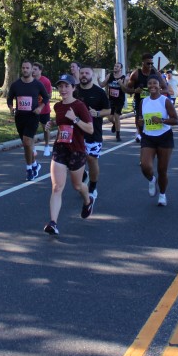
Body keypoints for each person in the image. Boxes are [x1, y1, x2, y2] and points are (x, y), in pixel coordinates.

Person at [44, 74, 95, 235]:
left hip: (76, 150)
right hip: (60, 148)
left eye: (67, 86)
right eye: (60, 86)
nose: (63, 89)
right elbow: (61, 123)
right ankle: (53, 223)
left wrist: (75, 119)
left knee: (77, 186)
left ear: (73, 88)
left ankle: (88, 200)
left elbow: (90, 129)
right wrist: (52, 123)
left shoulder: (79, 106)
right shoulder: (58, 106)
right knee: (56, 187)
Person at [6, 60, 50, 181]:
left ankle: (29, 169)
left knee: (26, 142)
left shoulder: (37, 84)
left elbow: (46, 97)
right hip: (20, 117)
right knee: (27, 145)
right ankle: (35, 164)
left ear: (31, 70)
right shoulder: (16, 85)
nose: (25, 70)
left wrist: (40, 108)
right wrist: (11, 108)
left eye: (27, 68)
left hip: (32, 117)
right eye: (23, 68)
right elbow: (9, 99)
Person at [139, 76, 178, 206]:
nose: (152, 86)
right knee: (145, 166)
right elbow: (139, 119)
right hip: (148, 136)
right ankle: (151, 179)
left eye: (155, 83)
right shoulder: (143, 102)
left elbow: (176, 120)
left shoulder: (165, 101)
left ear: (159, 86)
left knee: (162, 169)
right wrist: (140, 124)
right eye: (150, 83)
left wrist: (162, 120)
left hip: (164, 137)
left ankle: (162, 194)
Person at [74, 64, 111, 201]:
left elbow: (108, 110)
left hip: (93, 132)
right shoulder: (74, 90)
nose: (84, 75)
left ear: (92, 75)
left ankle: (92, 187)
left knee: (91, 159)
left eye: (87, 73)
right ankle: (84, 175)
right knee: (74, 160)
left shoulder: (99, 92)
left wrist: (97, 113)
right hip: (76, 132)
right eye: (82, 73)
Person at [127, 54, 169, 143]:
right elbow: (128, 89)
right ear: (143, 63)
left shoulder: (156, 74)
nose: (150, 66)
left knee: (151, 119)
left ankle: (152, 135)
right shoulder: (135, 74)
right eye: (148, 63)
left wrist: (155, 91)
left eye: (151, 63)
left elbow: (166, 89)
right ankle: (140, 133)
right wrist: (135, 90)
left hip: (153, 102)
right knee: (139, 119)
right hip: (140, 102)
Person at [101, 61, 128, 141]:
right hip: (111, 100)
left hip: (119, 100)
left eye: (117, 66)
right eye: (115, 66)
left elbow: (125, 89)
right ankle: (114, 124)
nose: (115, 67)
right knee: (109, 117)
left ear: (121, 69)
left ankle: (118, 135)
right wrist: (98, 80)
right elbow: (102, 85)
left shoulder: (123, 78)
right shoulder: (110, 76)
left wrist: (120, 83)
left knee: (116, 116)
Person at [32, 62, 54, 156]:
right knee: (32, 129)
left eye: (35, 69)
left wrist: (41, 96)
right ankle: (33, 148)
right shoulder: (29, 80)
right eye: (32, 69)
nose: (33, 71)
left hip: (44, 109)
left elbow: (49, 95)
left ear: (40, 71)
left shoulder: (45, 81)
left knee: (46, 128)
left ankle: (47, 146)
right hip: (33, 109)